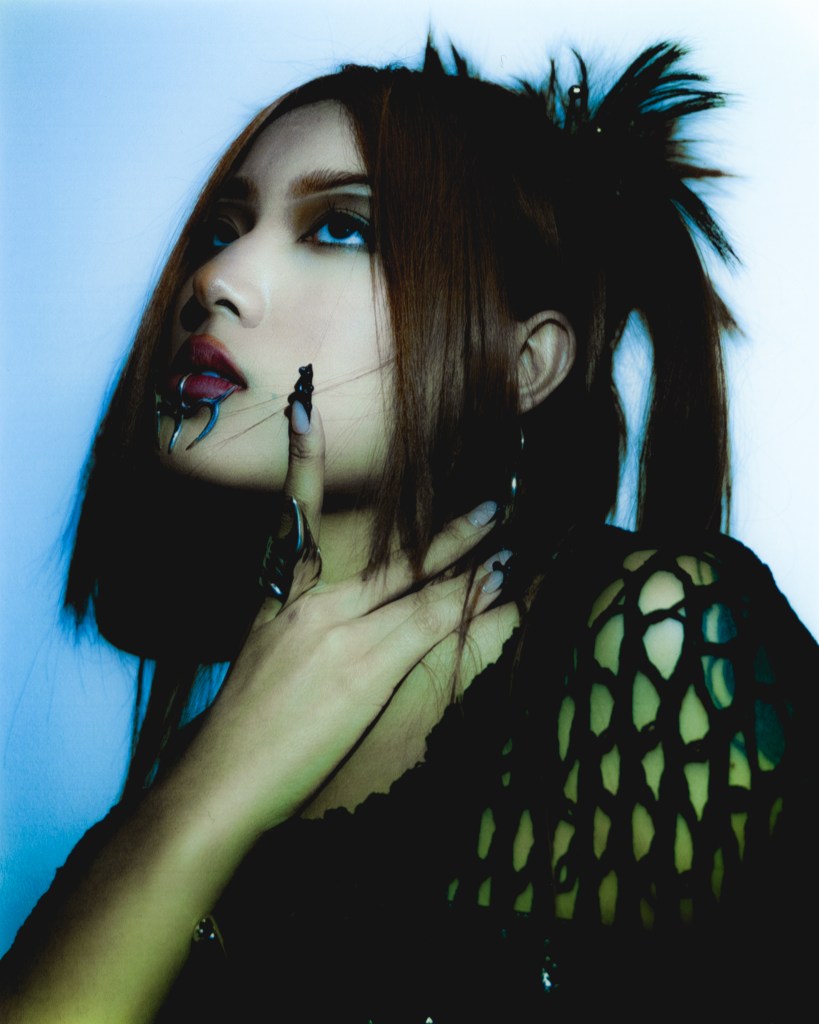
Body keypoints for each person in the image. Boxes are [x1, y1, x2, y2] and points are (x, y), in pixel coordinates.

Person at [1, 39, 815, 1022]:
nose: (216, 278)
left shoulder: (651, 639)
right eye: (222, 227)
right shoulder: (183, 770)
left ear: (523, 364)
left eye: (341, 229)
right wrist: (208, 793)